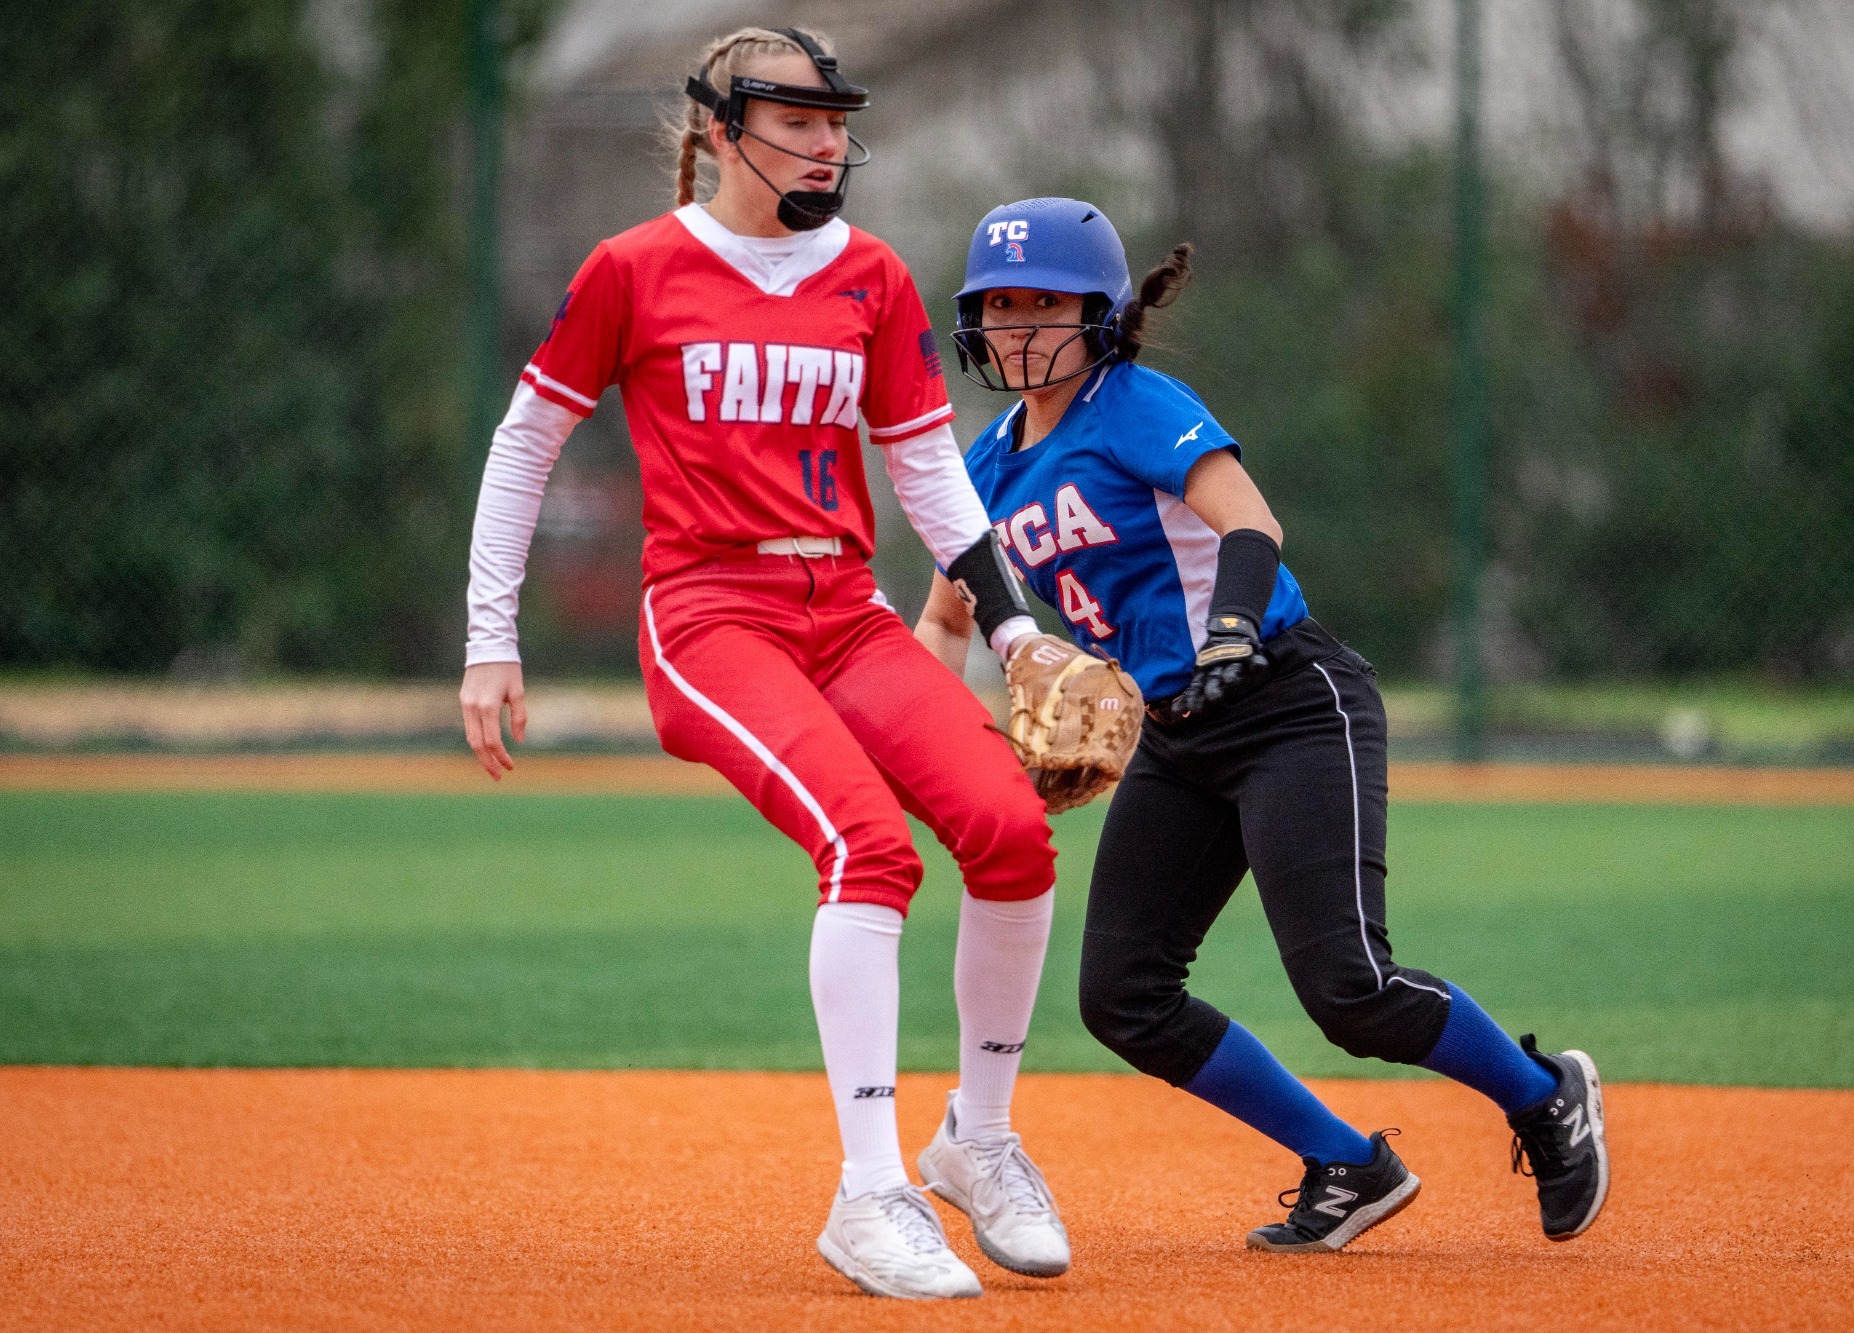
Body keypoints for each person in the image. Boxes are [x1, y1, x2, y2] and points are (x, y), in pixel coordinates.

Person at [457, 31, 1071, 1300]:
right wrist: (488, 638)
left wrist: (1013, 635)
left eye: (837, 119)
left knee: (1011, 829)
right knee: (870, 848)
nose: (829, 140)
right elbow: (525, 444)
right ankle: (865, 1194)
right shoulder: (637, 268)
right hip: (708, 618)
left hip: (842, 611)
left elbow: (928, 476)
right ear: (720, 128)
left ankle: (980, 1139)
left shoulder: (873, 278)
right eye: (797, 119)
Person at [915, 196, 1609, 1253]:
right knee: (1123, 998)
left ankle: (1542, 1093)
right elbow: (945, 615)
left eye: (1043, 303)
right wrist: (933, 746)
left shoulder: (1131, 404)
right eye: (997, 306)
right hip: (1175, 736)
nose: (1018, 326)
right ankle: (1346, 1163)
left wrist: (1233, 623)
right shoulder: (987, 467)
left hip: (1287, 697)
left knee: (1349, 989)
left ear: (1099, 314)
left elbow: (1250, 520)